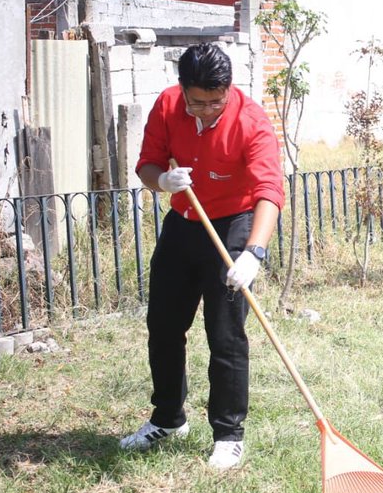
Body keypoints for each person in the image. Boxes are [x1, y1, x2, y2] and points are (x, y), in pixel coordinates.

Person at [120, 43, 285, 469]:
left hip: (233, 226)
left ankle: (229, 434)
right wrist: (164, 181)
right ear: (183, 90)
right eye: (198, 103)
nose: (207, 111)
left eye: (216, 102)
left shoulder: (251, 121)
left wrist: (254, 253)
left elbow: (269, 191)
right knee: (163, 325)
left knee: (226, 334)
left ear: (229, 90)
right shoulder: (167, 105)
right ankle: (168, 419)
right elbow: (147, 165)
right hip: (183, 223)